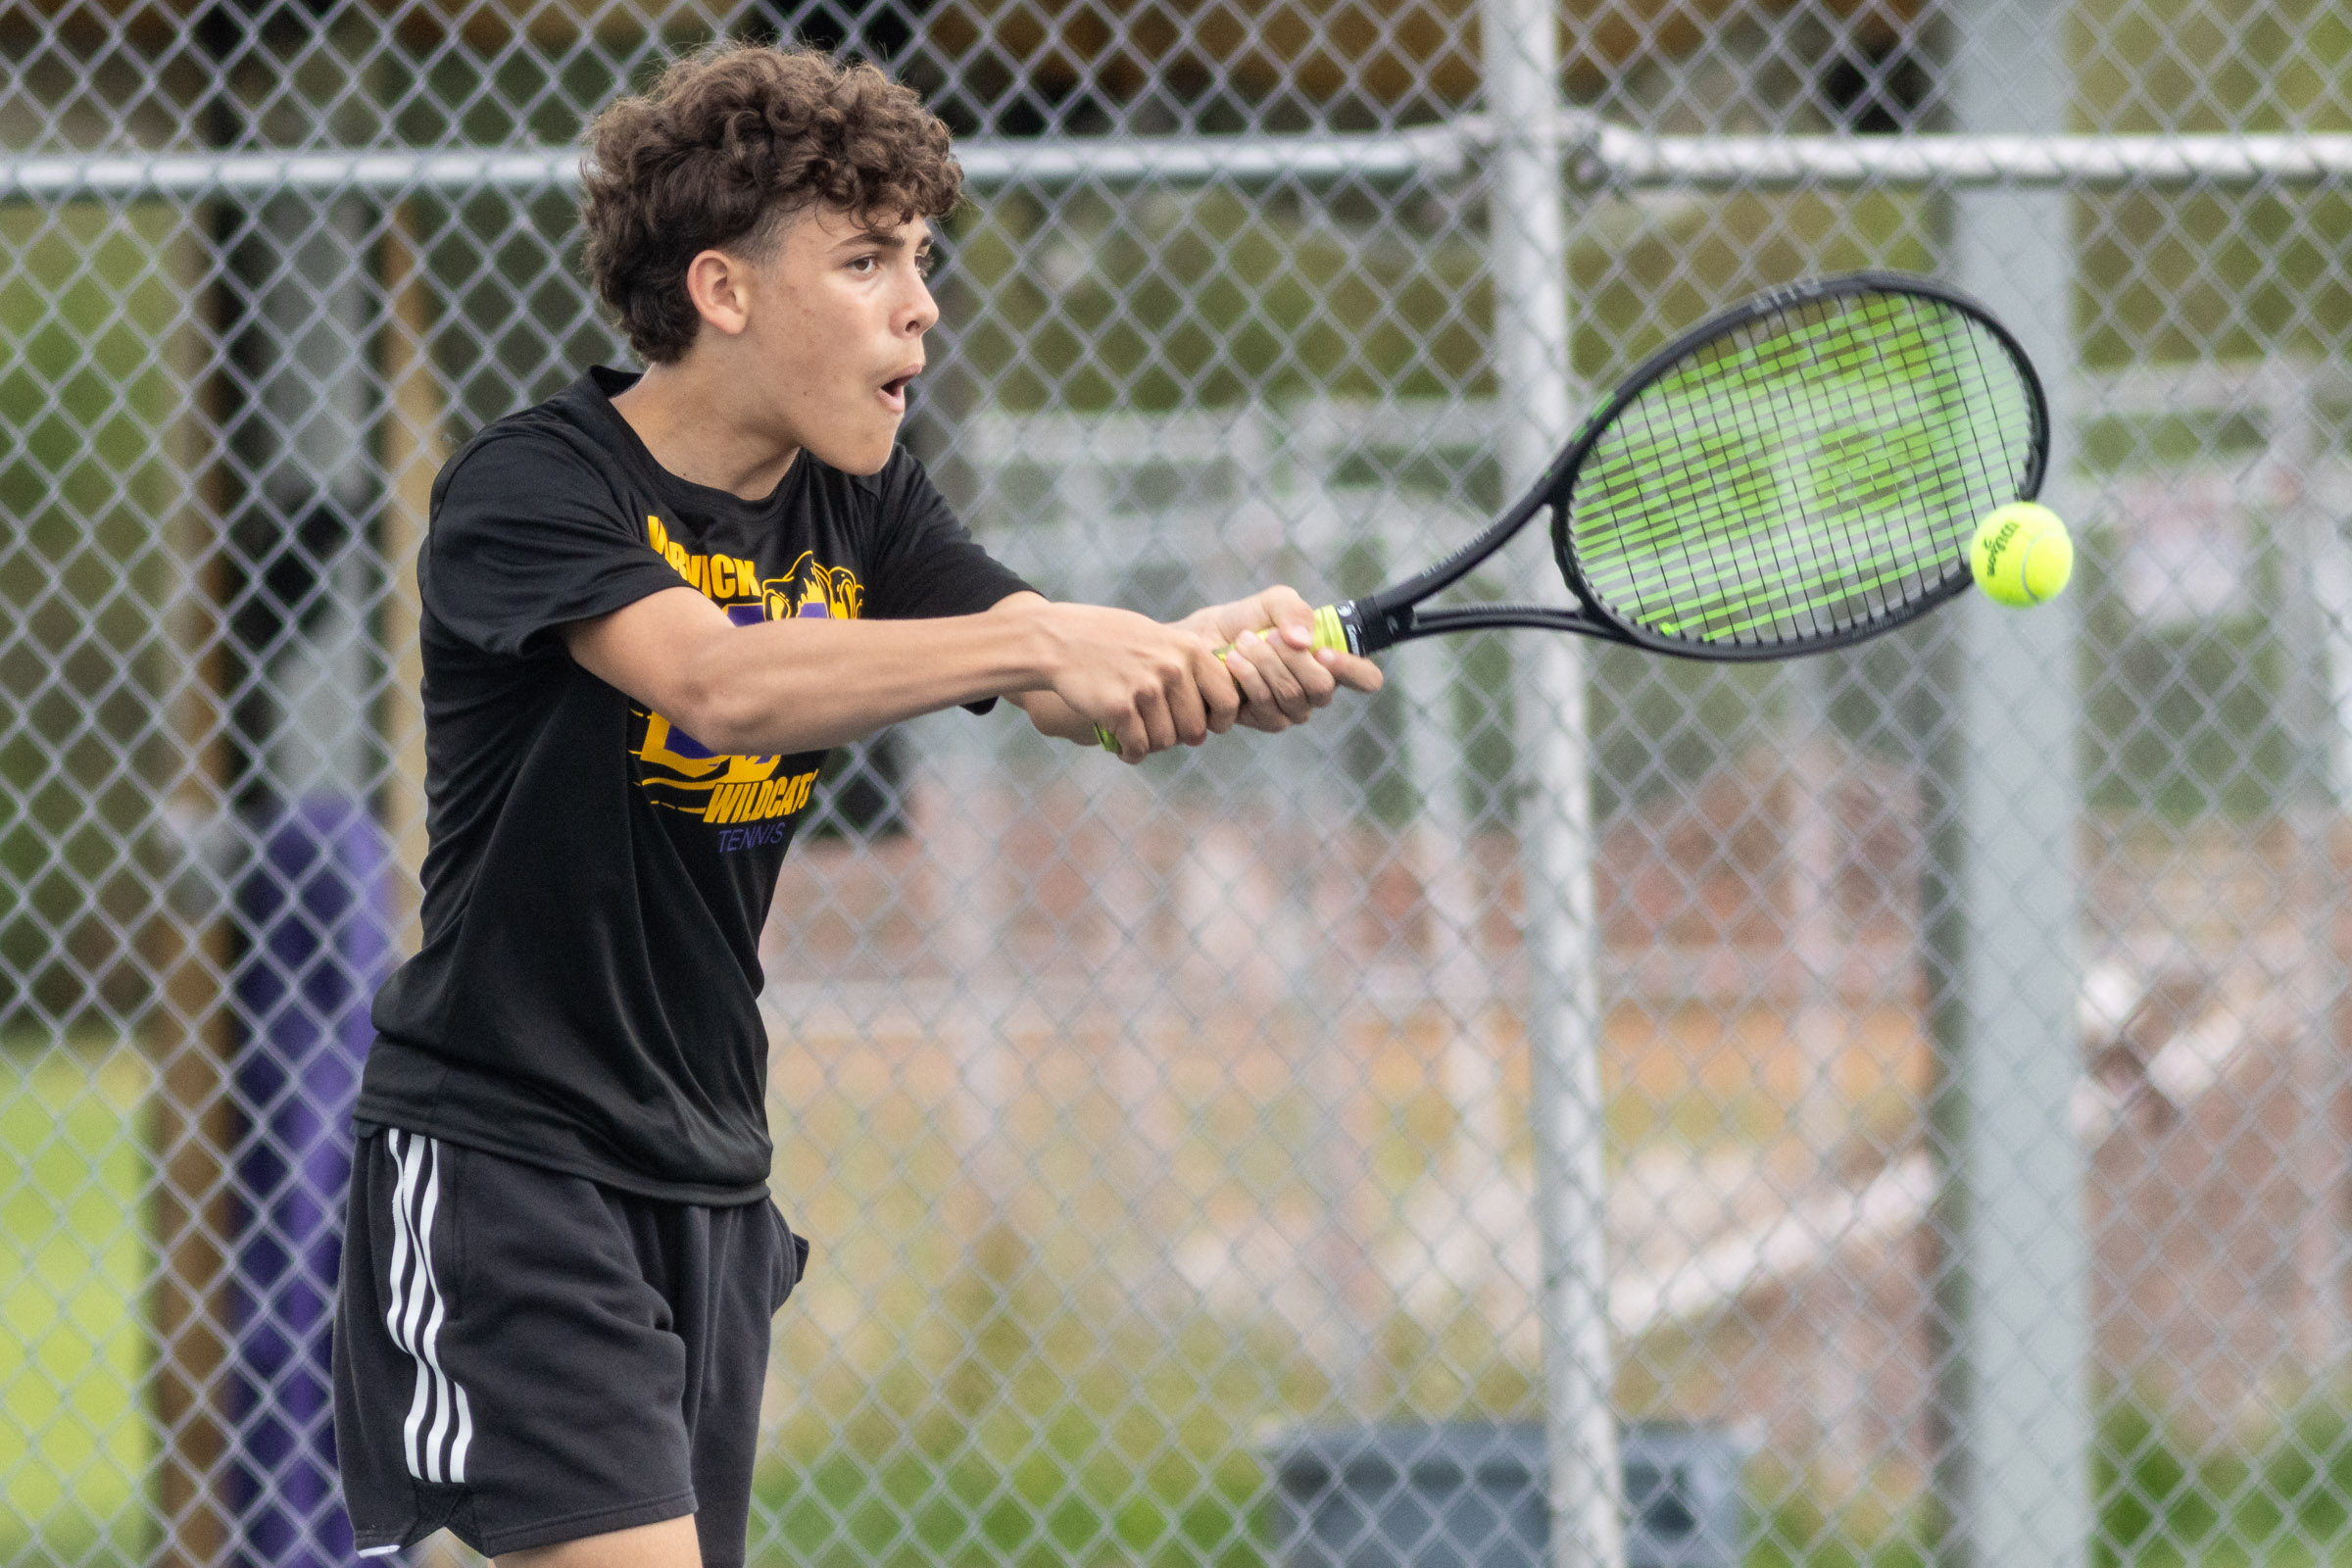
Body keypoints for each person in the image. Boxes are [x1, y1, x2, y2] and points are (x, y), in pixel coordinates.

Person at [330, 39, 1382, 1568]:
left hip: (706, 1171)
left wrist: (1208, 653)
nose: (923, 305)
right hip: (510, 1162)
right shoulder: (531, 488)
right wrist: (1042, 638)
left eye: (925, 258)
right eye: (869, 258)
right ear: (723, 290)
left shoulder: (864, 498)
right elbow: (720, 683)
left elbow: (1059, 685)